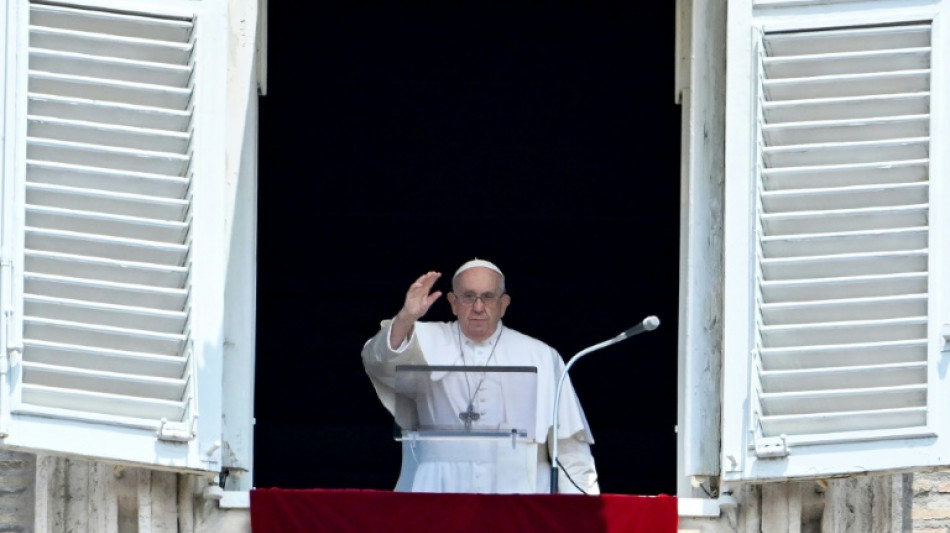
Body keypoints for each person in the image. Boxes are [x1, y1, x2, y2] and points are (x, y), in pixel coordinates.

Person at [361, 258, 600, 494]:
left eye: (487, 297)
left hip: (519, 494)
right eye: (468, 296)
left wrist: (583, 516)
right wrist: (405, 317)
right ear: (453, 303)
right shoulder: (421, 339)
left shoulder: (541, 356)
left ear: (504, 303)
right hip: (439, 490)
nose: (478, 306)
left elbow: (571, 451)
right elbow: (377, 360)